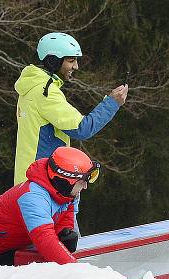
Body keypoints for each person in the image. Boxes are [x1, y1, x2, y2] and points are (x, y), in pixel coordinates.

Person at [13, 32, 127, 185]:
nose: (76, 66)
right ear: (54, 61)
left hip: (30, 182)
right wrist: (112, 103)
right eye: (71, 60)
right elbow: (82, 128)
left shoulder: (31, 87)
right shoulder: (45, 93)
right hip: (40, 184)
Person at [0, 146, 100, 266]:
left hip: (10, 245)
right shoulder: (32, 197)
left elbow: (66, 212)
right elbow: (45, 240)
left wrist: (64, 232)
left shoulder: (69, 192)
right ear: (64, 181)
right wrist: (75, 268)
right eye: (82, 181)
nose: (85, 186)